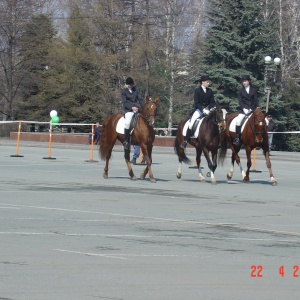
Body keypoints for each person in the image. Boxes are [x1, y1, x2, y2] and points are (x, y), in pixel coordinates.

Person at [181, 75, 215, 149]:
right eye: (207, 82)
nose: (208, 83)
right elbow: (196, 103)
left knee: (215, 122)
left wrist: (213, 108)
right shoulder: (197, 90)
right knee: (191, 123)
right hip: (199, 110)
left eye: (208, 82)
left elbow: (212, 102)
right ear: (203, 82)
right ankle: (186, 140)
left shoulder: (210, 91)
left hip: (208, 110)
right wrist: (203, 110)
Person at [233, 75, 259, 146]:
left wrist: (252, 108)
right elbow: (240, 101)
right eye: (243, 81)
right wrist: (244, 109)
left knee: (260, 120)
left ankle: (260, 137)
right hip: (243, 110)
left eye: (245, 81)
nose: (244, 83)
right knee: (238, 121)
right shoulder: (240, 91)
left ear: (249, 81)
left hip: (252, 109)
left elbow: (255, 100)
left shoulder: (253, 90)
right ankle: (237, 138)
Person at [121, 77, 144, 149]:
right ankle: (126, 141)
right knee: (128, 123)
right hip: (129, 110)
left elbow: (140, 99)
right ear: (128, 85)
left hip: (137, 109)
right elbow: (124, 102)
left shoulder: (135, 90)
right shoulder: (123, 91)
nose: (132, 86)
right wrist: (131, 107)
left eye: (132, 84)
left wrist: (144, 107)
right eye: (130, 85)